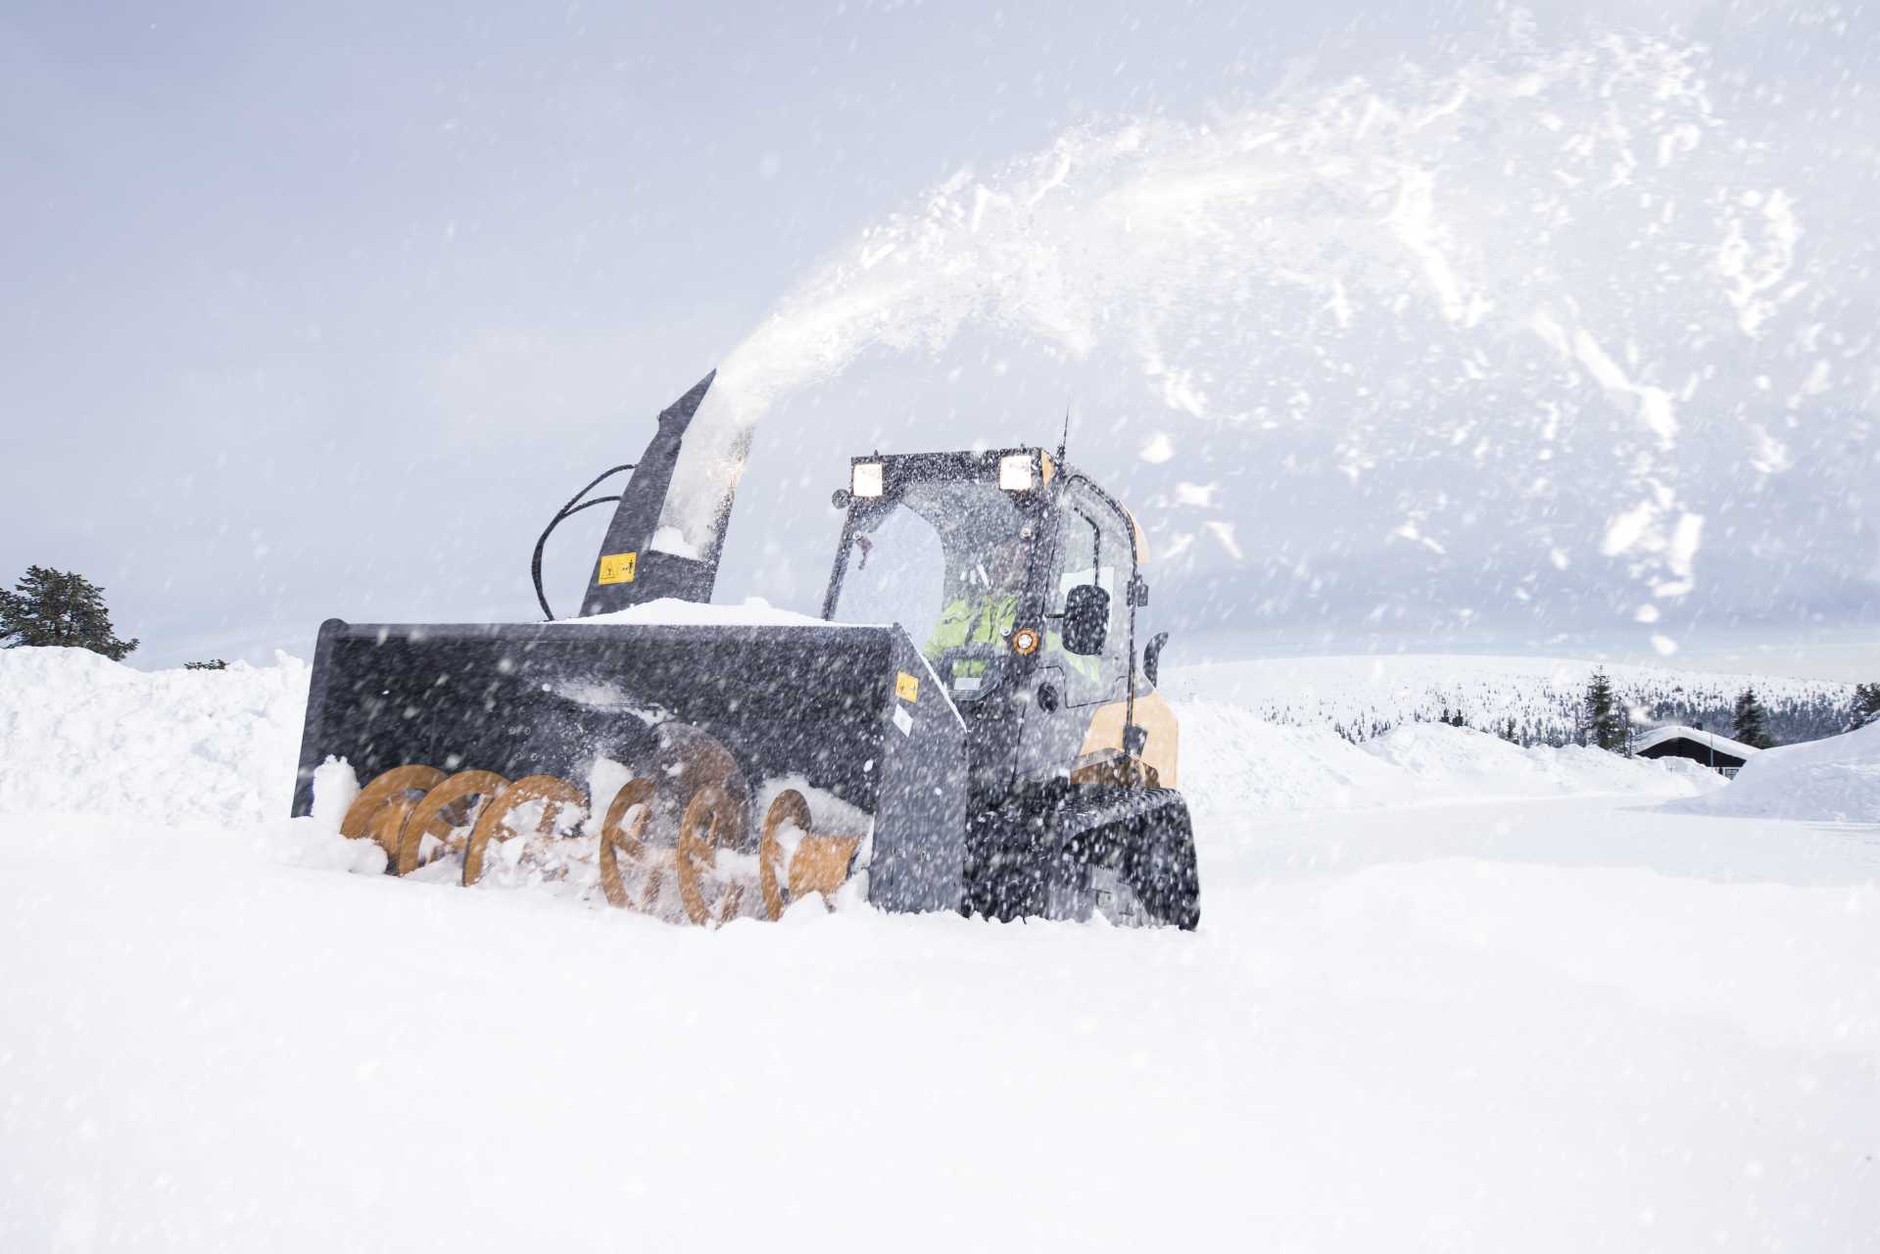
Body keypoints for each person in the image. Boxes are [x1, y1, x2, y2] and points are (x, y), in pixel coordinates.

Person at [924, 536, 1027, 671]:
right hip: (947, 690)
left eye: (1010, 561)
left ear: (1025, 569)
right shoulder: (957, 612)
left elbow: (1048, 660)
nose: (1001, 567)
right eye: (998, 560)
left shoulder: (1028, 616)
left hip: (1005, 690)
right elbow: (925, 658)